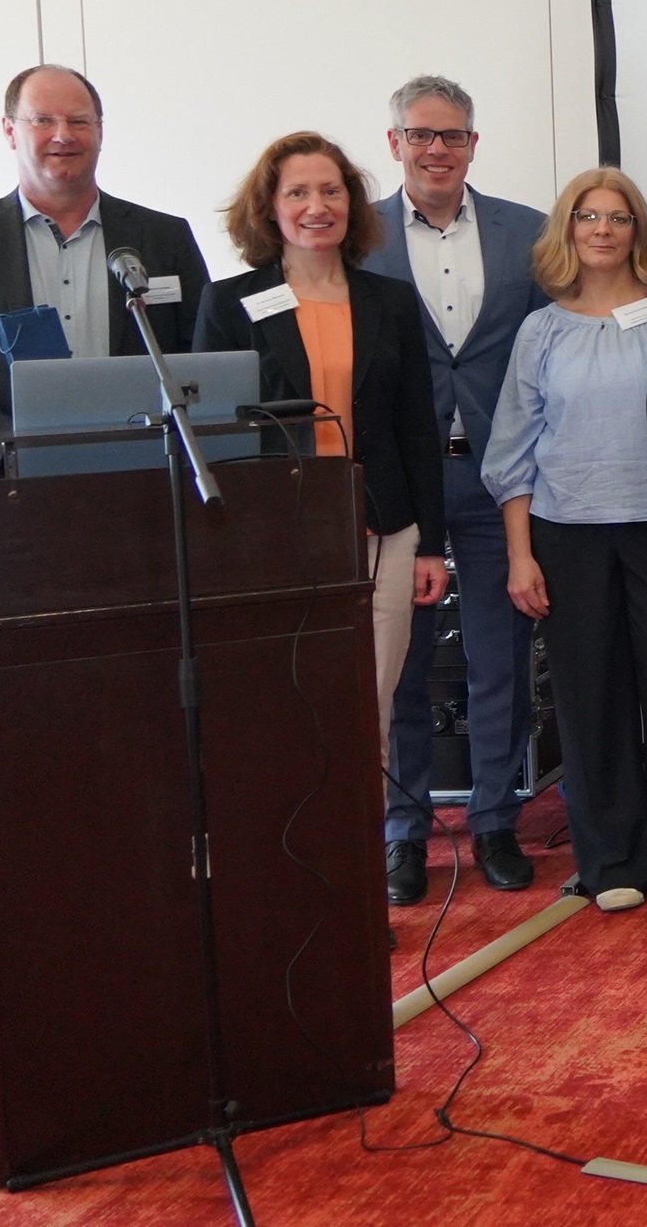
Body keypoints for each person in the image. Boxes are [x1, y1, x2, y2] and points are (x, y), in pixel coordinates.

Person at [192, 134, 449, 863]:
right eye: (298, 193)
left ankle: (353, 876)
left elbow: (414, 427)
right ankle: (286, 868)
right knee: (281, 711)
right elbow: (214, 431)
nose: (317, 206)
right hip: (277, 537)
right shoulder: (230, 301)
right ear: (269, 208)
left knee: (364, 708)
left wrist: (430, 541)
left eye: (331, 190)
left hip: (383, 529)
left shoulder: (389, 300)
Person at [484, 167, 647, 921]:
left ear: (638, 230)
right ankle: (611, 859)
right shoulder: (540, 330)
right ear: (569, 229)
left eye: (619, 217)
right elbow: (512, 451)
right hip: (565, 535)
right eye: (589, 216)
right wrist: (521, 554)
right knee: (589, 702)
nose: (604, 230)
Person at [362, 75, 551, 900]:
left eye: (452, 135)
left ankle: (494, 820)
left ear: (474, 144)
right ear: (394, 142)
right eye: (420, 134)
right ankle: (403, 831)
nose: (436, 149)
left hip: (499, 478)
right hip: (400, 485)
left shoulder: (530, 234)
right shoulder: (353, 233)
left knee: (498, 658)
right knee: (397, 664)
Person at [0, 65, 209, 455]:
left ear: (100, 132)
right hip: (2, 482)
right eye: (42, 120)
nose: (63, 135)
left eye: (79, 121)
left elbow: (201, 354)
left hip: (146, 470)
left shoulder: (164, 237)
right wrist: (8, 448)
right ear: (9, 131)